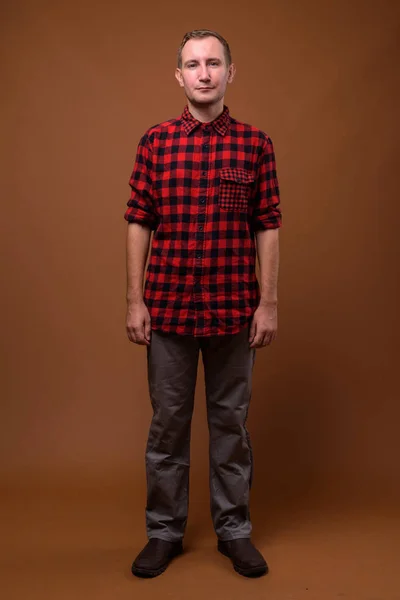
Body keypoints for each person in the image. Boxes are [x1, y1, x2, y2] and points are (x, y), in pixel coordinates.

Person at [124, 29, 281, 578]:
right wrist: (134, 299)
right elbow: (139, 220)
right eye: (194, 64)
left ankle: (234, 531)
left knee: (229, 426)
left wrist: (269, 303)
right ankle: (163, 533)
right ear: (180, 76)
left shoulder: (255, 144)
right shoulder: (155, 142)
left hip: (234, 309)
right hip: (166, 307)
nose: (205, 73)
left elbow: (267, 226)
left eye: (214, 63)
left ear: (230, 73)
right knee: (167, 426)